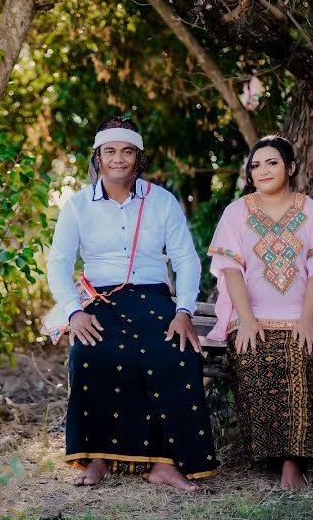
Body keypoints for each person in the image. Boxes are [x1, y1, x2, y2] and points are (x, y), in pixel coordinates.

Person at [47, 116, 219, 491]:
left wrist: (185, 310)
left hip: (155, 298)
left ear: (139, 157)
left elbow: (186, 259)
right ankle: (97, 459)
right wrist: (74, 313)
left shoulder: (162, 201)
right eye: (110, 151)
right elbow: (58, 262)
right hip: (100, 299)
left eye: (127, 151)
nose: (118, 159)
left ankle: (165, 463)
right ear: (97, 157)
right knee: (90, 354)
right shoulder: (77, 205)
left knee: (177, 354)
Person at [206, 135, 313, 489]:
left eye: (272, 162)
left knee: (302, 354)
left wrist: (307, 321)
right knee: (252, 355)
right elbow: (231, 269)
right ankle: (266, 450)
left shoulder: (312, 210)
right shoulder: (236, 212)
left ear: (291, 168)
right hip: (250, 312)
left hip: (304, 311)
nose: (263, 170)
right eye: (255, 165)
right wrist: (248, 320)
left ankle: (292, 462)